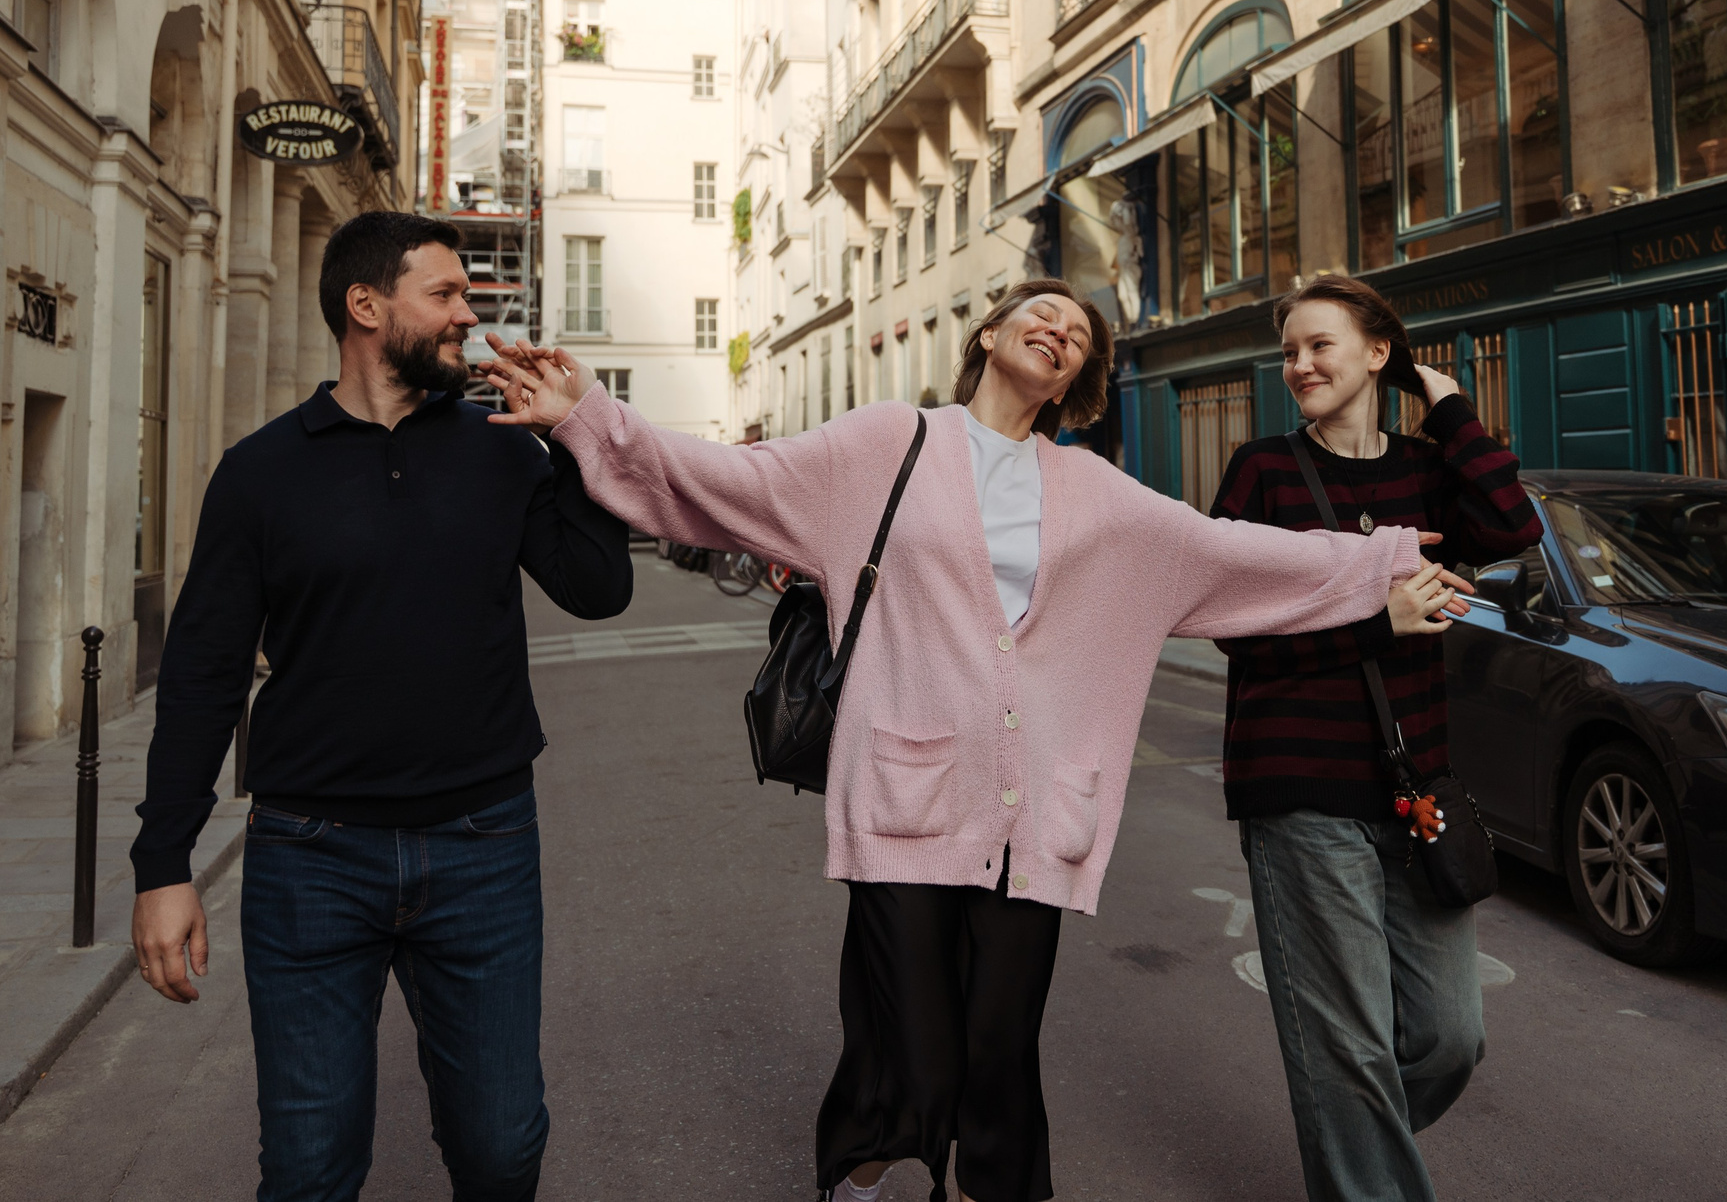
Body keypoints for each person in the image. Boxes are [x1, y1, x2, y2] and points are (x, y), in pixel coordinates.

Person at [480, 278, 1465, 1202]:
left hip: (1030, 817)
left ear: (1073, 382)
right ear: (989, 335)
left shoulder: (1094, 492)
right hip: (904, 796)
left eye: (1078, 336)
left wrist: (1375, 566)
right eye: (1042, 314)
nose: (1060, 331)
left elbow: (1223, 553)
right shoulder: (888, 442)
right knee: (913, 1045)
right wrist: (587, 417)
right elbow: (728, 480)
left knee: (999, 1051)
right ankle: (866, 1165)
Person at [127, 211, 634, 1202]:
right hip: (310, 856)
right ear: (366, 305)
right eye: (444, 294)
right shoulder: (261, 472)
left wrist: (576, 436)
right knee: (309, 1168)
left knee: (501, 1148)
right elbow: (201, 675)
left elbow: (597, 587)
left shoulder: (500, 449)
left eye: (467, 295)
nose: (468, 315)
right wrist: (163, 864)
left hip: (483, 844)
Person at [1208, 274, 1543, 1202]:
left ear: (1377, 352)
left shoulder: (1428, 471)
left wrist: (1452, 410)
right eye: (1289, 350)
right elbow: (1228, 624)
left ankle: (1351, 1138)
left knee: (1448, 1036)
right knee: (1348, 1047)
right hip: (1299, 789)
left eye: (1320, 344)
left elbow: (1514, 525)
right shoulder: (1263, 471)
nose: (1300, 364)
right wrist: (1372, 622)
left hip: (1416, 790)